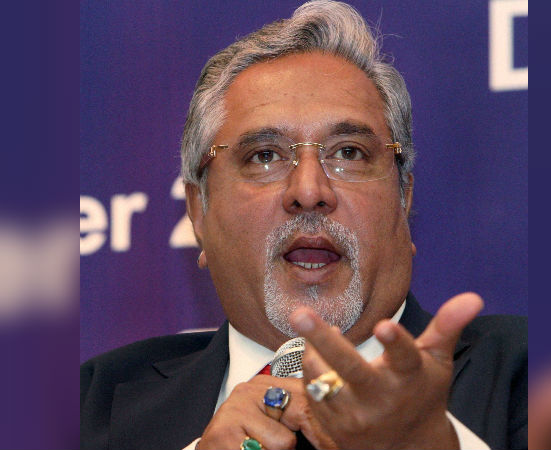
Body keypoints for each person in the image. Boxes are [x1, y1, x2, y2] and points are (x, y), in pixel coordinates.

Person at [80, 1, 527, 449]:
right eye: (264, 156)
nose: (310, 190)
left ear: (403, 197)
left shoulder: (531, 373)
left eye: (349, 152)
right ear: (199, 211)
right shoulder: (88, 404)